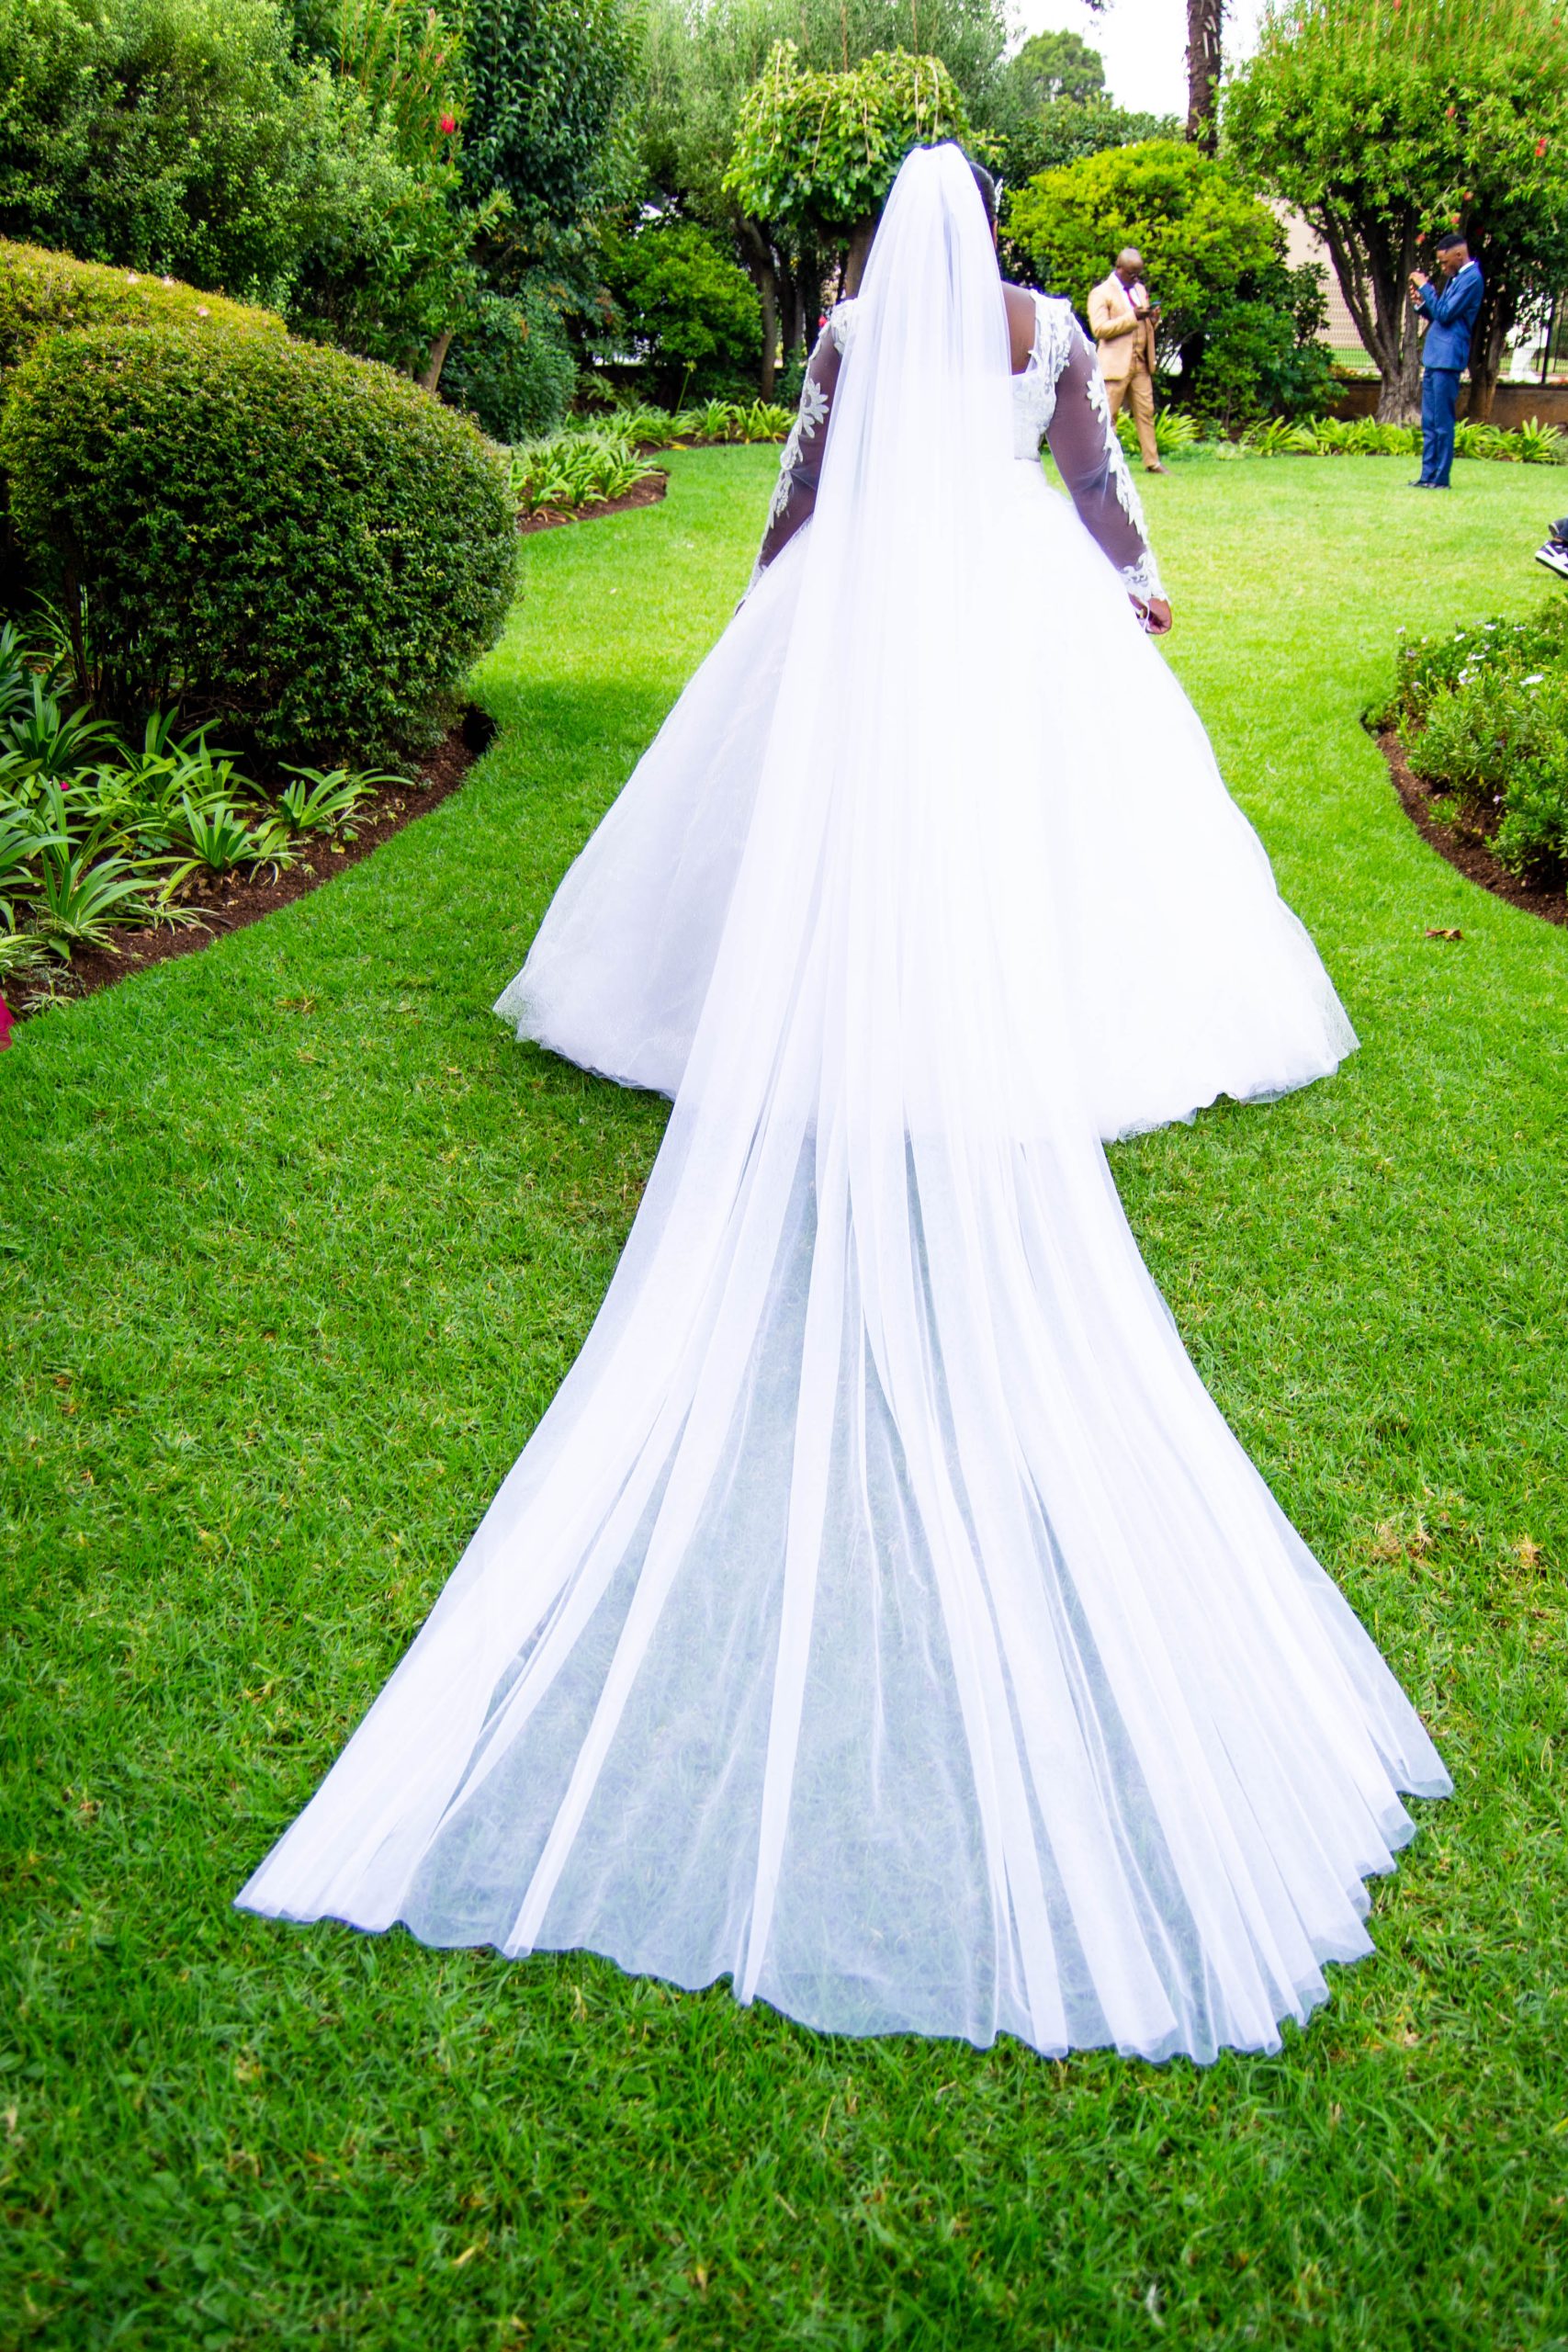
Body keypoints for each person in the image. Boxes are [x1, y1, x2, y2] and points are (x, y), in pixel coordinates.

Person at [239, 147, 1447, 2067]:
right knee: (1044, 830)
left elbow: (805, 483)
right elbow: (1088, 479)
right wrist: (1130, 586)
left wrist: (767, 600)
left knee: (834, 826)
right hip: (1004, 611)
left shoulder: (851, 326)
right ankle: (1011, 1007)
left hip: (881, 603)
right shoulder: (1046, 328)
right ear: (1000, 238)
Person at [1409, 232, 1484, 489]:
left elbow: (1445, 312)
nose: (1443, 267)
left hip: (1448, 360)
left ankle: (1440, 479)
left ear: (1459, 255)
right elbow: (1440, 316)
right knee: (1429, 423)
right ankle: (1427, 476)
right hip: (1435, 358)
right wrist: (1422, 304)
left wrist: (1426, 287)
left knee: (1442, 423)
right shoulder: (1457, 278)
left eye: (1444, 262)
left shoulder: (1472, 279)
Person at [1088, 247, 1168, 474]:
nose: (1136, 279)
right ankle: (1102, 464)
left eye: (1138, 274)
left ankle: (1153, 462)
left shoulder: (1140, 290)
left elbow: (1146, 324)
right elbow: (1100, 329)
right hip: (1115, 365)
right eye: (1132, 274)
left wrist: (1153, 319)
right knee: (1107, 416)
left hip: (1141, 363)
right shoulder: (1101, 293)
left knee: (1146, 412)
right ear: (1119, 268)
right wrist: (1133, 317)